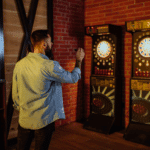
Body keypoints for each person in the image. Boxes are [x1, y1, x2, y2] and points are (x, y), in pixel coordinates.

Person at [12, 30, 85, 150]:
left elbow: (15, 94)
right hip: (44, 120)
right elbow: (73, 78)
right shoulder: (49, 65)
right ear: (44, 44)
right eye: (50, 41)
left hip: (24, 119)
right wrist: (79, 60)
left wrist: (23, 110)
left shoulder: (20, 64)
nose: (52, 44)